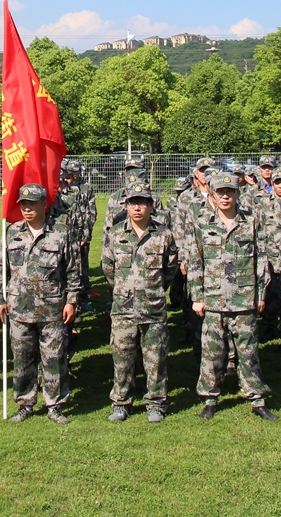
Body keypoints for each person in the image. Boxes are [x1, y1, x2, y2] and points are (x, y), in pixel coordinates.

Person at [184, 172, 277, 420]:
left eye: (230, 192)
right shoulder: (202, 223)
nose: (225, 196)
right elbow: (195, 261)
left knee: (248, 352)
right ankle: (210, 398)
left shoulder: (251, 221)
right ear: (213, 194)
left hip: (244, 298)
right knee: (212, 353)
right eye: (221, 192)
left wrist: (260, 293)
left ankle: (256, 398)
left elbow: (261, 260)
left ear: (238, 193)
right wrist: (197, 296)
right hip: (213, 299)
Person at [0, 183, 83, 424]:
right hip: (19, 308)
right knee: (22, 359)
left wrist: (71, 301)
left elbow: (73, 271)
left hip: (51, 308)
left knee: (54, 358)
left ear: (44, 204)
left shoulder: (61, 232)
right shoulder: (12, 232)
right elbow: (0, 270)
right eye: (23, 204)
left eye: (32, 204)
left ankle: (55, 404)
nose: (27, 209)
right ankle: (25, 403)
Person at [101, 180, 178, 423]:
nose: (137, 208)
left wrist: (154, 290)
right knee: (122, 357)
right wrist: (122, 290)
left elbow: (170, 269)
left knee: (155, 358)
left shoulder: (164, 235)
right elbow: (108, 267)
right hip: (123, 309)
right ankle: (121, 402)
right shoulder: (115, 234)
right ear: (126, 206)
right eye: (132, 203)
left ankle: (156, 403)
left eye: (142, 203)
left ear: (151, 206)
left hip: (153, 308)